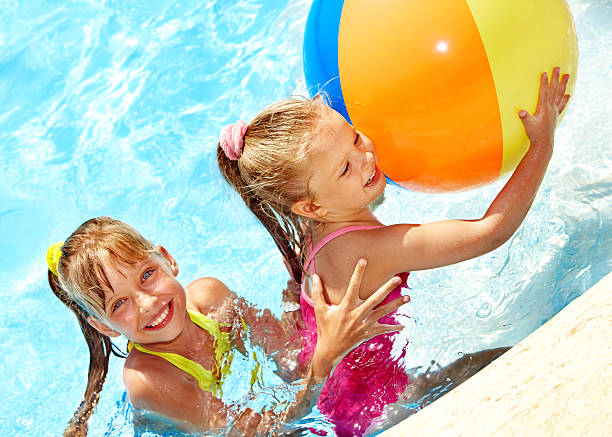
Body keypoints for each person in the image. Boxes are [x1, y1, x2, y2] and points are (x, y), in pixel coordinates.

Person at [217, 68, 570, 435]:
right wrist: (542, 144)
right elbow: (491, 232)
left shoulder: (312, 229)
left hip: (339, 389)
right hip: (374, 413)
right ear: (312, 207)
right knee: (511, 362)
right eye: (345, 169)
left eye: (354, 138)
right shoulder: (371, 251)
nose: (366, 157)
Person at [46, 216, 408, 436]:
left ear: (168, 259)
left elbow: (289, 357)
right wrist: (325, 359)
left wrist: (303, 311)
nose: (147, 302)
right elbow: (264, 431)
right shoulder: (148, 381)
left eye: (147, 275)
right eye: (119, 303)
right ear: (105, 326)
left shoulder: (211, 297)